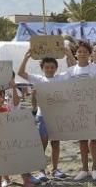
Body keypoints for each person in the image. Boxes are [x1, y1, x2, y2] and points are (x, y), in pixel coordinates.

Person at [60, 41, 96, 180]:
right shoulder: (70, 71)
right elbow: (59, 87)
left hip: (94, 108)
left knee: (94, 139)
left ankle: (95, 168)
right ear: (75, 54)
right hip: (77, 109)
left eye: (85, 52)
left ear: (90, 54)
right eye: (79, 52)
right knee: (82, 139)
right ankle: (84, 169)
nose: (82, 54)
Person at [18, 50, 70, 179]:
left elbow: (73, 70)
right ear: (42, 68)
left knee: (56, 143)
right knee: (43, 143)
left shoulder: (60, 78)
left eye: (52, 67)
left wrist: (68, 54)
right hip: (42, 115)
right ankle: (42, 171)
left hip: (57, 115)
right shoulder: (38, 79)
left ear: (56, 68)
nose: (50, 69)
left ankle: (55, 169)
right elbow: (20, 73)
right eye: (47, 67)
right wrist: (26, 58)